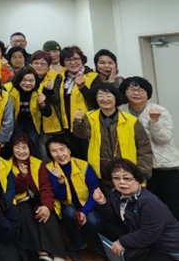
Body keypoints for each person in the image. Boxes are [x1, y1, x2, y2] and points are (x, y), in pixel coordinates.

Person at [119, 76, 179, 221]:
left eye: (141, 90)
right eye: (131, 89)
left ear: (148, 93)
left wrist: (154, 122)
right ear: (125, 92)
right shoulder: (121, 111)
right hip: (138, 167)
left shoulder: (158, 110)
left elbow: (164, 139)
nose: (136, 93)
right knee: (149, 207)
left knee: (172, 204)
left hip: (163, 165)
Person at [94, 159, 179, 261]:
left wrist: (122, 243)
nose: (121, 182)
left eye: (127, 178)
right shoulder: (115, 194)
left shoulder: (148, 202)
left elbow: (149, 233)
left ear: (137, 179)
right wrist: (102, 202)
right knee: (111, 228)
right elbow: (112, 218)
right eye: (116, 178)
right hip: (146, 241)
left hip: (167, 248)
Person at [72, 83, 153, 186]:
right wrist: (79, 122)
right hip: (100, 171)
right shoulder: (89, 117)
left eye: (108, 95)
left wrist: (141, 174)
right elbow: (82, 135)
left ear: (116, 98)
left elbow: (144, 148)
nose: (104, 99)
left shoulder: (131, 120)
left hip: (128, 171)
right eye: (100, 96)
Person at [45, 135, 103, 261]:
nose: (59, 154)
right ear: (50, 154)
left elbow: (95, 191)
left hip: (88, 205)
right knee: (68, 212)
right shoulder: (49, 169)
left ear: (69, 150)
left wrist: (84, 212)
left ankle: (101, 247)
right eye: (54, 151)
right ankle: (78, 246)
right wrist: (60, 180)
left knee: (94, 220)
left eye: (62, 149)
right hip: (69, 205)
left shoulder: (84, 165)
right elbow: (60, 197)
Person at [10, 133, 66, 261]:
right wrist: (23, 177)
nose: (21, 151)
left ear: (30, 149)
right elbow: (15, 189)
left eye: (24, 147)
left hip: (39, 198)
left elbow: (46, 187)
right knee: (24, 211)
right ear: (12, 149)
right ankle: (41, 253)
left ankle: (57, 254)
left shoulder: (38, 163)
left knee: (45, 212)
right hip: (21, 200)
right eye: (17, 147)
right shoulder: (7, 165)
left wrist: (46, 206)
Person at [60, 45, 99, 158]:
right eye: (68, 59)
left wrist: (82, 87)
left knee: (88, 158)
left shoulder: (93, 77)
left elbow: (97, 102)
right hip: (68, 128)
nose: (72, 62)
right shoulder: (62, 78)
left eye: (76, 59)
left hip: (86, 127)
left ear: (82, 59)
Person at [29, 50, 66, 160]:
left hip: (50, 121)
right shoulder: (27, 77)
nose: (39, 66)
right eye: (36, 63)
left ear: (49, 65)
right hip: (32, 120)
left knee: (49, 151)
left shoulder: (55, 77)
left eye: (43, 64)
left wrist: (50, 91)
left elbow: (56, 100)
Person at [9, 66, 43, 155]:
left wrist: (43, 104)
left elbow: (47, 112)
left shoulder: (40, 89)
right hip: (15, 121)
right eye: (24, 80)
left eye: (31, 81)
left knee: (32, 142)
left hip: (32, 122)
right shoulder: (9, 89)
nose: (27, 83)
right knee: (17, 142)